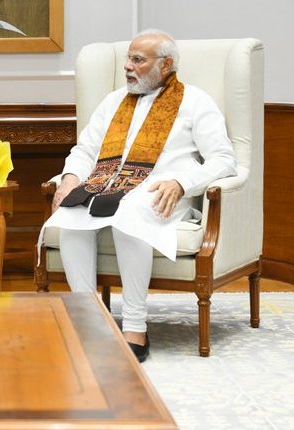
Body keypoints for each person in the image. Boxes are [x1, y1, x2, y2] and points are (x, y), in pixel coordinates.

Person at [39, 29, 236, 362]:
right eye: (128, 59)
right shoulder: (113, 101)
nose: (127, 67)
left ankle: (134, 327)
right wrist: (70, 178)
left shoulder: (195, 102)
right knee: (71, 213)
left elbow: (223, 159)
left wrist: (181, 182)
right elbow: (85, 150)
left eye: (137, 60)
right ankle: (88, 321)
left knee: (129, 213)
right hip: (106, 186)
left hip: (162, 194)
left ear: (166, 64)